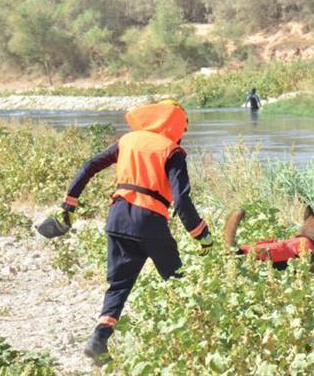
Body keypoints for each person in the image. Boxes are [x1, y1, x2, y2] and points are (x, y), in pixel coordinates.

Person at [40, 100, 212, 363]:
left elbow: (89, 165)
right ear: (174, 124)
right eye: (183, 128)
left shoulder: (128, 141)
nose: (183, 133)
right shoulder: (172, 150)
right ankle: (198, 344)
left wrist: (69, 205)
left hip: (117, 217)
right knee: (178, 281)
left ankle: (99, 339)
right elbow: (182, 200)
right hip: (150, 221)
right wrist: (202, 236)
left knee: (119, 285)